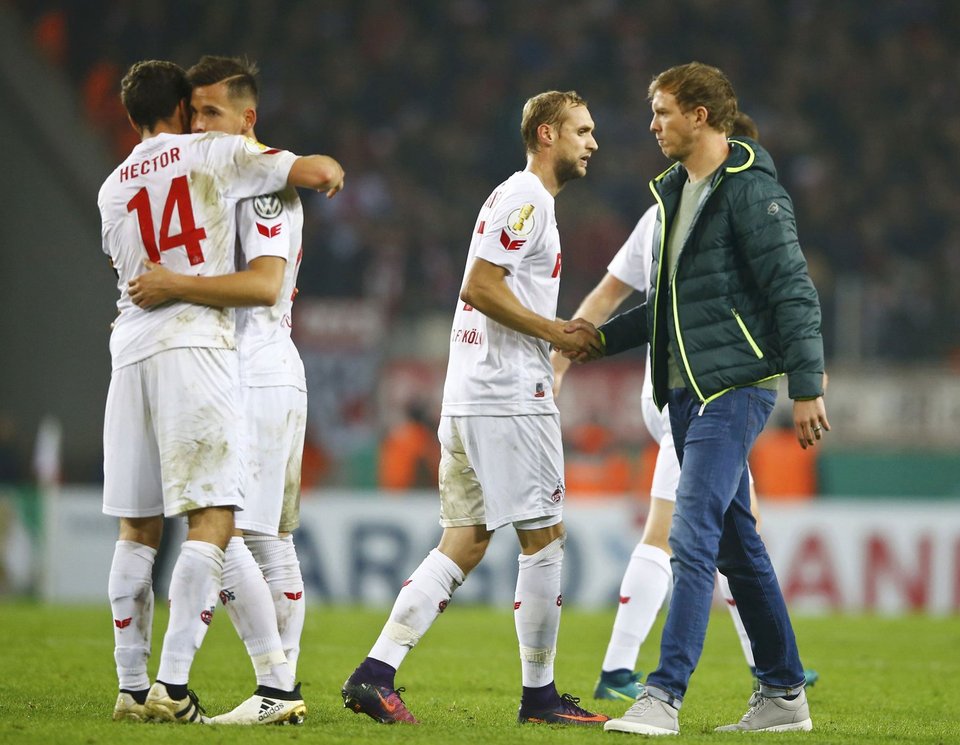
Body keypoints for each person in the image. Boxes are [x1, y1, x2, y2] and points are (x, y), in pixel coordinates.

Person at [339, 90, 607, 727]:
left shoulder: (514, 196)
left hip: (469, 392)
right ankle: (539, 699)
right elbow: (479, 286)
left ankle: (375, 674)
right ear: (547, 134)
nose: (593, 142)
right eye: (582, 130)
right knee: (544, 540)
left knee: (464, 540)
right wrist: (554, 331)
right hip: (508, 394)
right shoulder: (527, 200)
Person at [574, 63, 827, 735]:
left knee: (691, 532)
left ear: (700, 116)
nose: (652, 124)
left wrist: (807, 384)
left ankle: (663, 694)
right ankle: (782, 693)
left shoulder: (750, 191)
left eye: (661, 112)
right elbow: (669, 310)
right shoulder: (675, 194)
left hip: (735, 387)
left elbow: (793, 288)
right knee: (738, 546)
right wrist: (594, 341)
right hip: (685, 393)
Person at [101, 59, 343, 724]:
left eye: (212, 113)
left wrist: (169, 289)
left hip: (256, 367)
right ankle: (271, 685)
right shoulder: (211, 169)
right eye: (194, 112)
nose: (201, 126)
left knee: (258, 536)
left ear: (247, 120)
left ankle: (272, 686)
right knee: (233, 533)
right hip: (204, 362)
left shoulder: (258, 184)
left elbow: (265, 283)